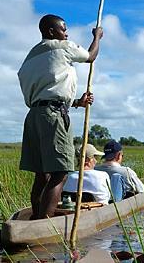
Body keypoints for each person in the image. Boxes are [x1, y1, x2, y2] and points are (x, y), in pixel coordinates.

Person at [18, 14, 103, 219]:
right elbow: (90, 56)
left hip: (34, 116)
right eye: (63, 29)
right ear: (50, 32)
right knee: (60, 173)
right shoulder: (61, 47)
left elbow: (46, 91)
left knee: (42, 174)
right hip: (53, 116)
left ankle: (37, 219)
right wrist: (97, 36)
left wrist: (76, 103)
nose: (66, 33)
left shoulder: (30, 57)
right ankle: (43, 225)